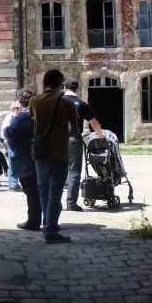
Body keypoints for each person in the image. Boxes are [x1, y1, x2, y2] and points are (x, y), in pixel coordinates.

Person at [29, 69, 79, 244]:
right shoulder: (67, 103)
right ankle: (51, 230)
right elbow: (75, 130)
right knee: (56, 192)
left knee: (43, 190)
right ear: (60, 83)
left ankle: (46, 224)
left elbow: (34, 121)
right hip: (59, 151)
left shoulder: (33, 101)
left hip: (40, 153)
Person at [63, 79, 105, 211]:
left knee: (57, 169)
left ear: (64, 87)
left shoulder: (58, 101)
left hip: (58, 138)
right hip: (74, 139)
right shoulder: (81, 103)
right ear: (76, 89)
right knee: (74, 170)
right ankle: (71, 203)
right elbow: (95, 123)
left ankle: (53, 202)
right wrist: (101, 137)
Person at [5, 89, 41, 231]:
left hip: (26, 155)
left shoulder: (22, 117)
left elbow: (10, 132)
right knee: (43, 189)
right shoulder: (42, 114)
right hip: (43, 154)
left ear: (20, 102)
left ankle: (34, 221)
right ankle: (49, 220)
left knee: (31, 190)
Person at [1, 101, 23, 191]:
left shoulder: (20, 116)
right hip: (12, 142)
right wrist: (5, 138)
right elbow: (4, 129)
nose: (18, 109)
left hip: (19, 141)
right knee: (13, 162)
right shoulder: (9, 117)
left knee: (17, 162)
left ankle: (14, 183)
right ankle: (13, 184)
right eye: (16, 108)